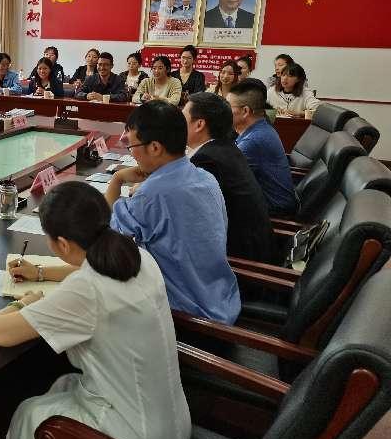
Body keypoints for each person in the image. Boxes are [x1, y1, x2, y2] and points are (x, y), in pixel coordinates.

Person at [0, 182, 190, 439]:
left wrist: (25, 302)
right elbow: (87, 268)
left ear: (62, 244)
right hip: (173, 427)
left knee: (30, 414)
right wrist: (40, 272)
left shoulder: (86, 292)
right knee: (62, 385)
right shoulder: (137, 256)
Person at [104, 101, 241, 323]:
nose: (133, 154)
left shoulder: (152, 194)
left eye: (132, 146)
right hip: (222, 298)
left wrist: (117, 179)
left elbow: (106, 232)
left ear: (155, 147)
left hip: (188, 315)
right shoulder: (205, 177)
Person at [184, 93, 276, 262]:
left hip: (241, 262)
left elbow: (191, 221)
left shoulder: (206, 160)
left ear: (199, 124)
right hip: (254, 246)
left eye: (183, 118)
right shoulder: (224, 147)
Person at [227, 82, 298, 216]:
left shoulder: (253, 141)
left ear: (245, 111)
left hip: (272, 211)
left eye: (227, 106)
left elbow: (223, 177)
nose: (223, 111)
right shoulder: (262, 127)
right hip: (265, 200)